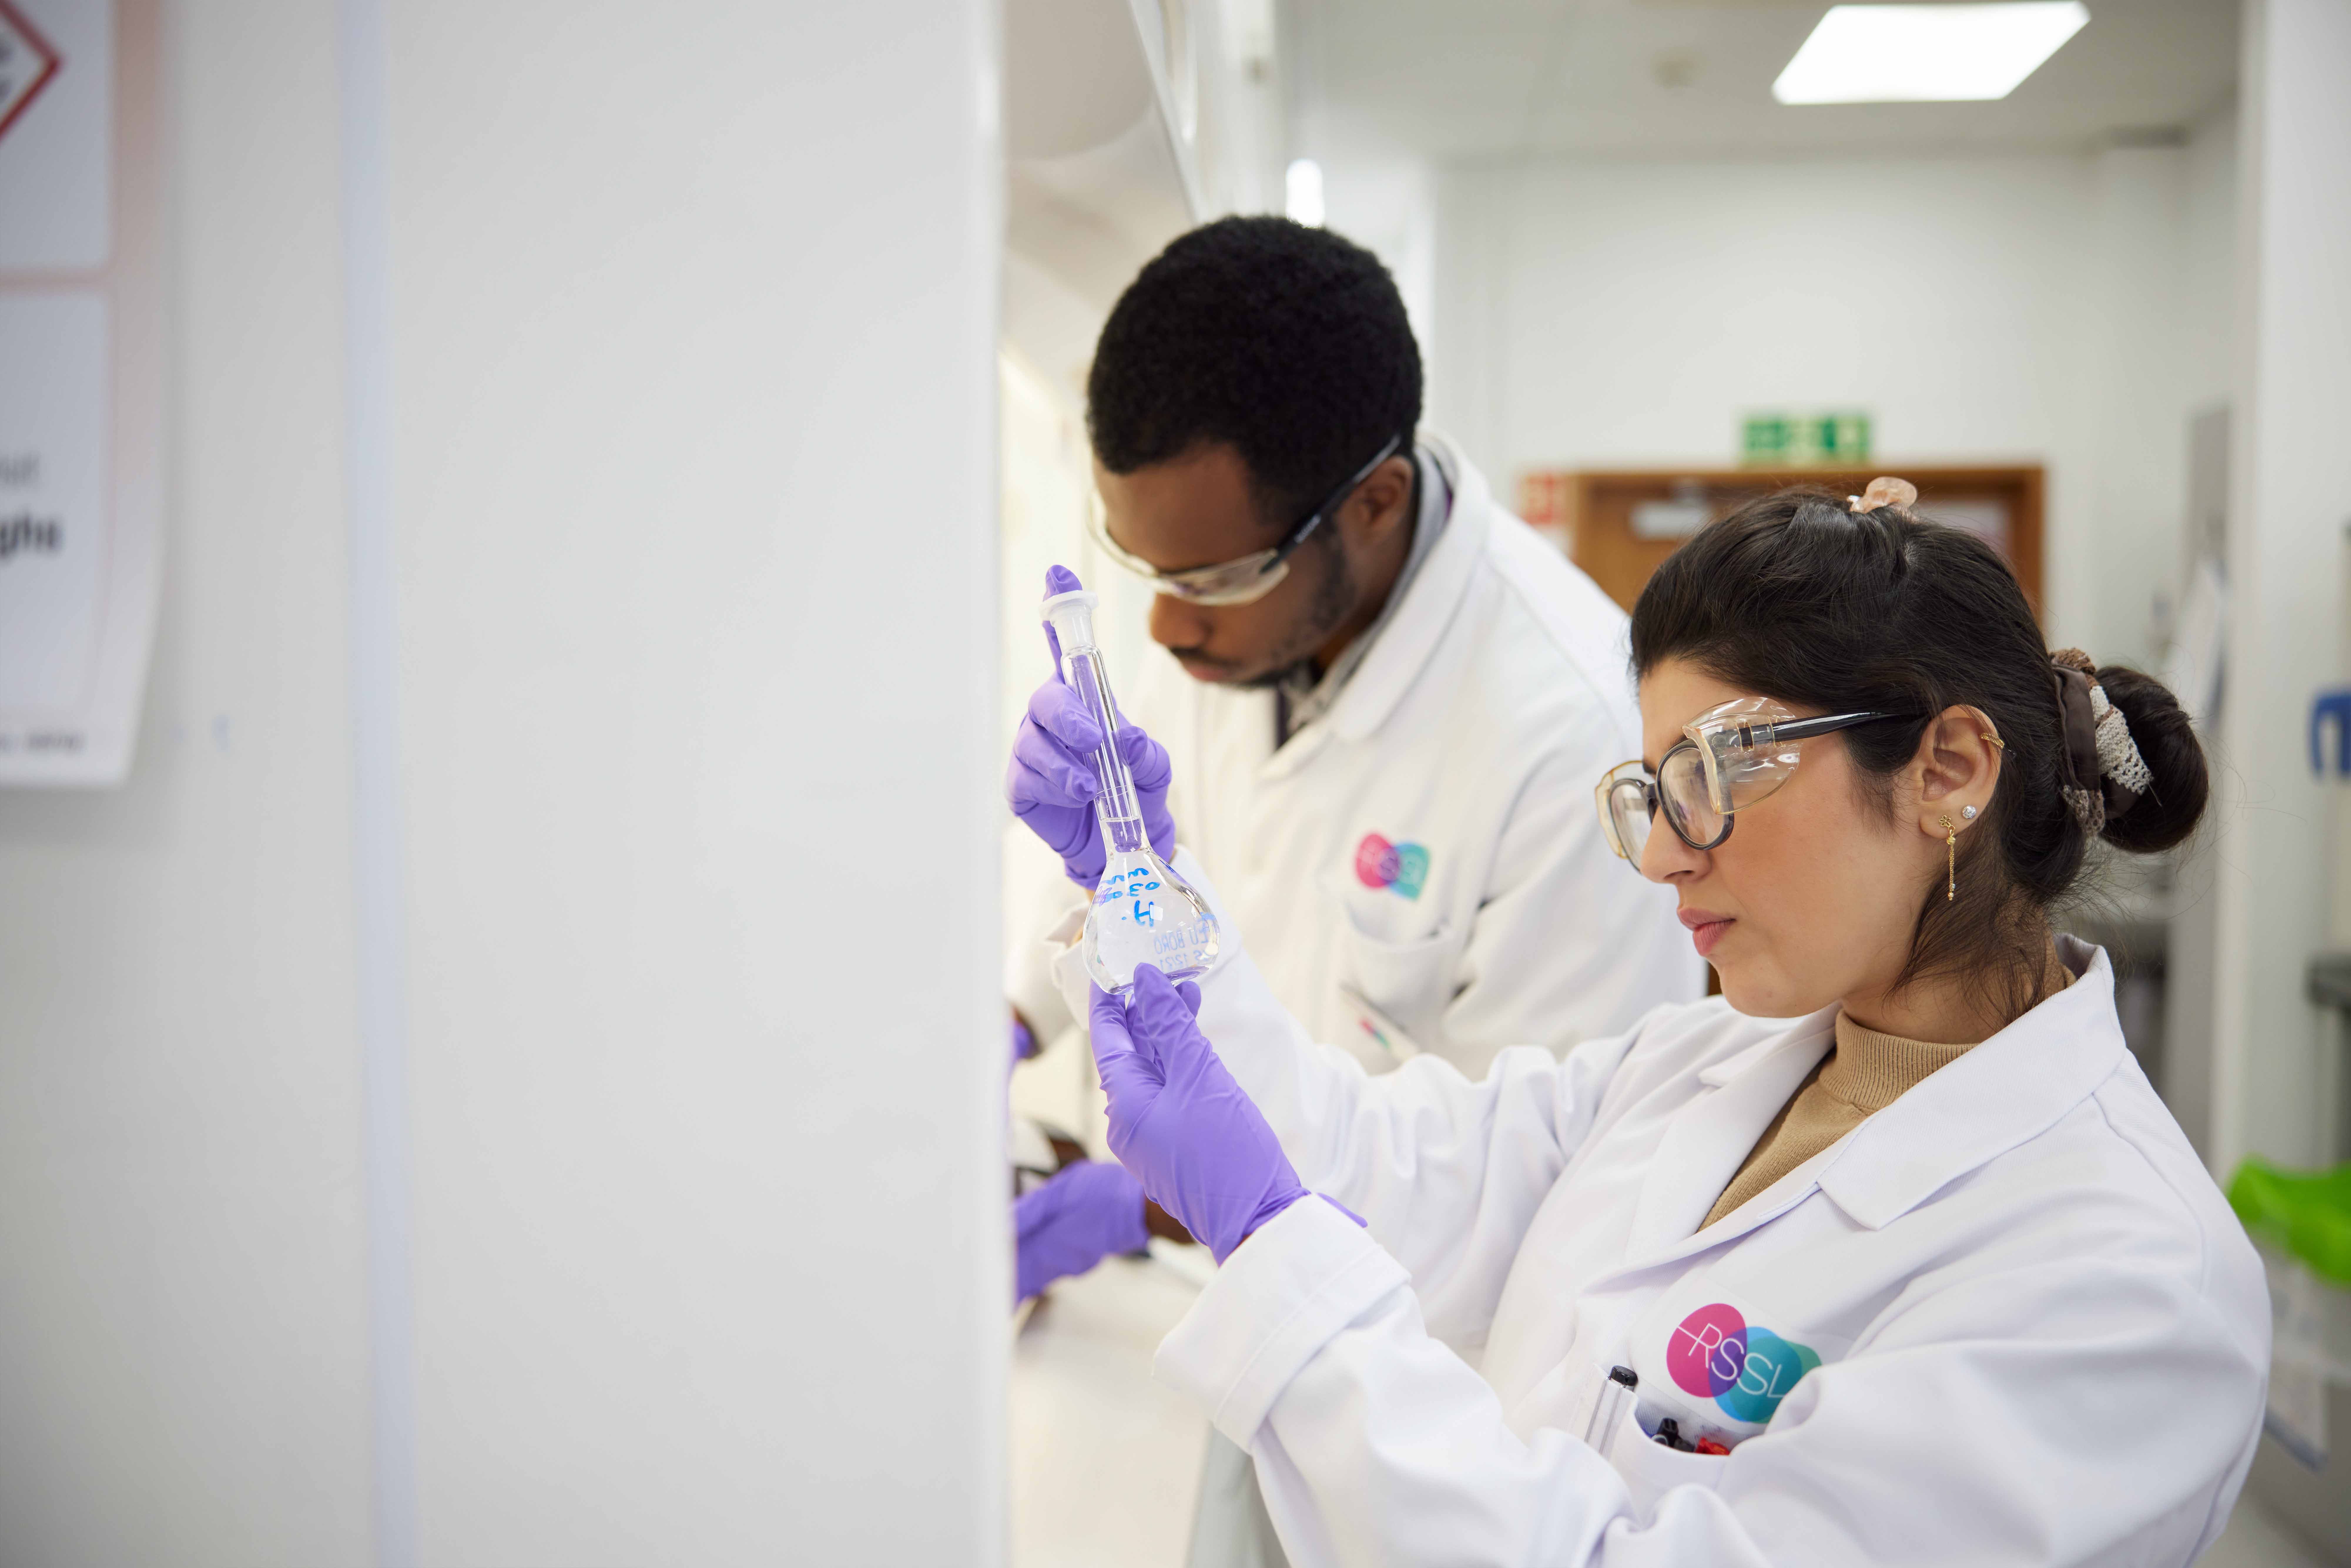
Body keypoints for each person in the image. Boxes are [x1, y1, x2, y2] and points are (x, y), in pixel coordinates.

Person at [1013, 480, 2269, 1566]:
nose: (1665, 850)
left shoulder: (2128, 1280)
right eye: (1655, 788)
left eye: (1714, 774)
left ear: (1947, 769)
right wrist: (1147, 891)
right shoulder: (1702, 1059)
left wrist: (1270, 1240)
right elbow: (1386, 1170)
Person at [1006, 214, 1697, 1288]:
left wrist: (1153, 1199)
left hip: (1411, 1358)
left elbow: (1528, 1186)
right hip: (1230, 1311)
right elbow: (1150, 883)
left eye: (1208, 581)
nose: (1164, 629)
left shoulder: (1576, 735)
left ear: (1373, 503)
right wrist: (1011, 1019)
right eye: (1146, 570)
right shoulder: (1231, 623)